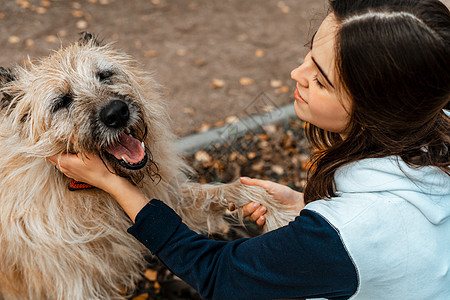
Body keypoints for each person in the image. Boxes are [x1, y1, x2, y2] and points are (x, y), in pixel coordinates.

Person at [48, 0, 450, 299]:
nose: (297, 74)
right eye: (310, 53)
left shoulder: (353, 235)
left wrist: (115, 185)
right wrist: (308, 208)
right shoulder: (435, 117)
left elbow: (219, 275)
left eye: (322, 80)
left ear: (377, 107)